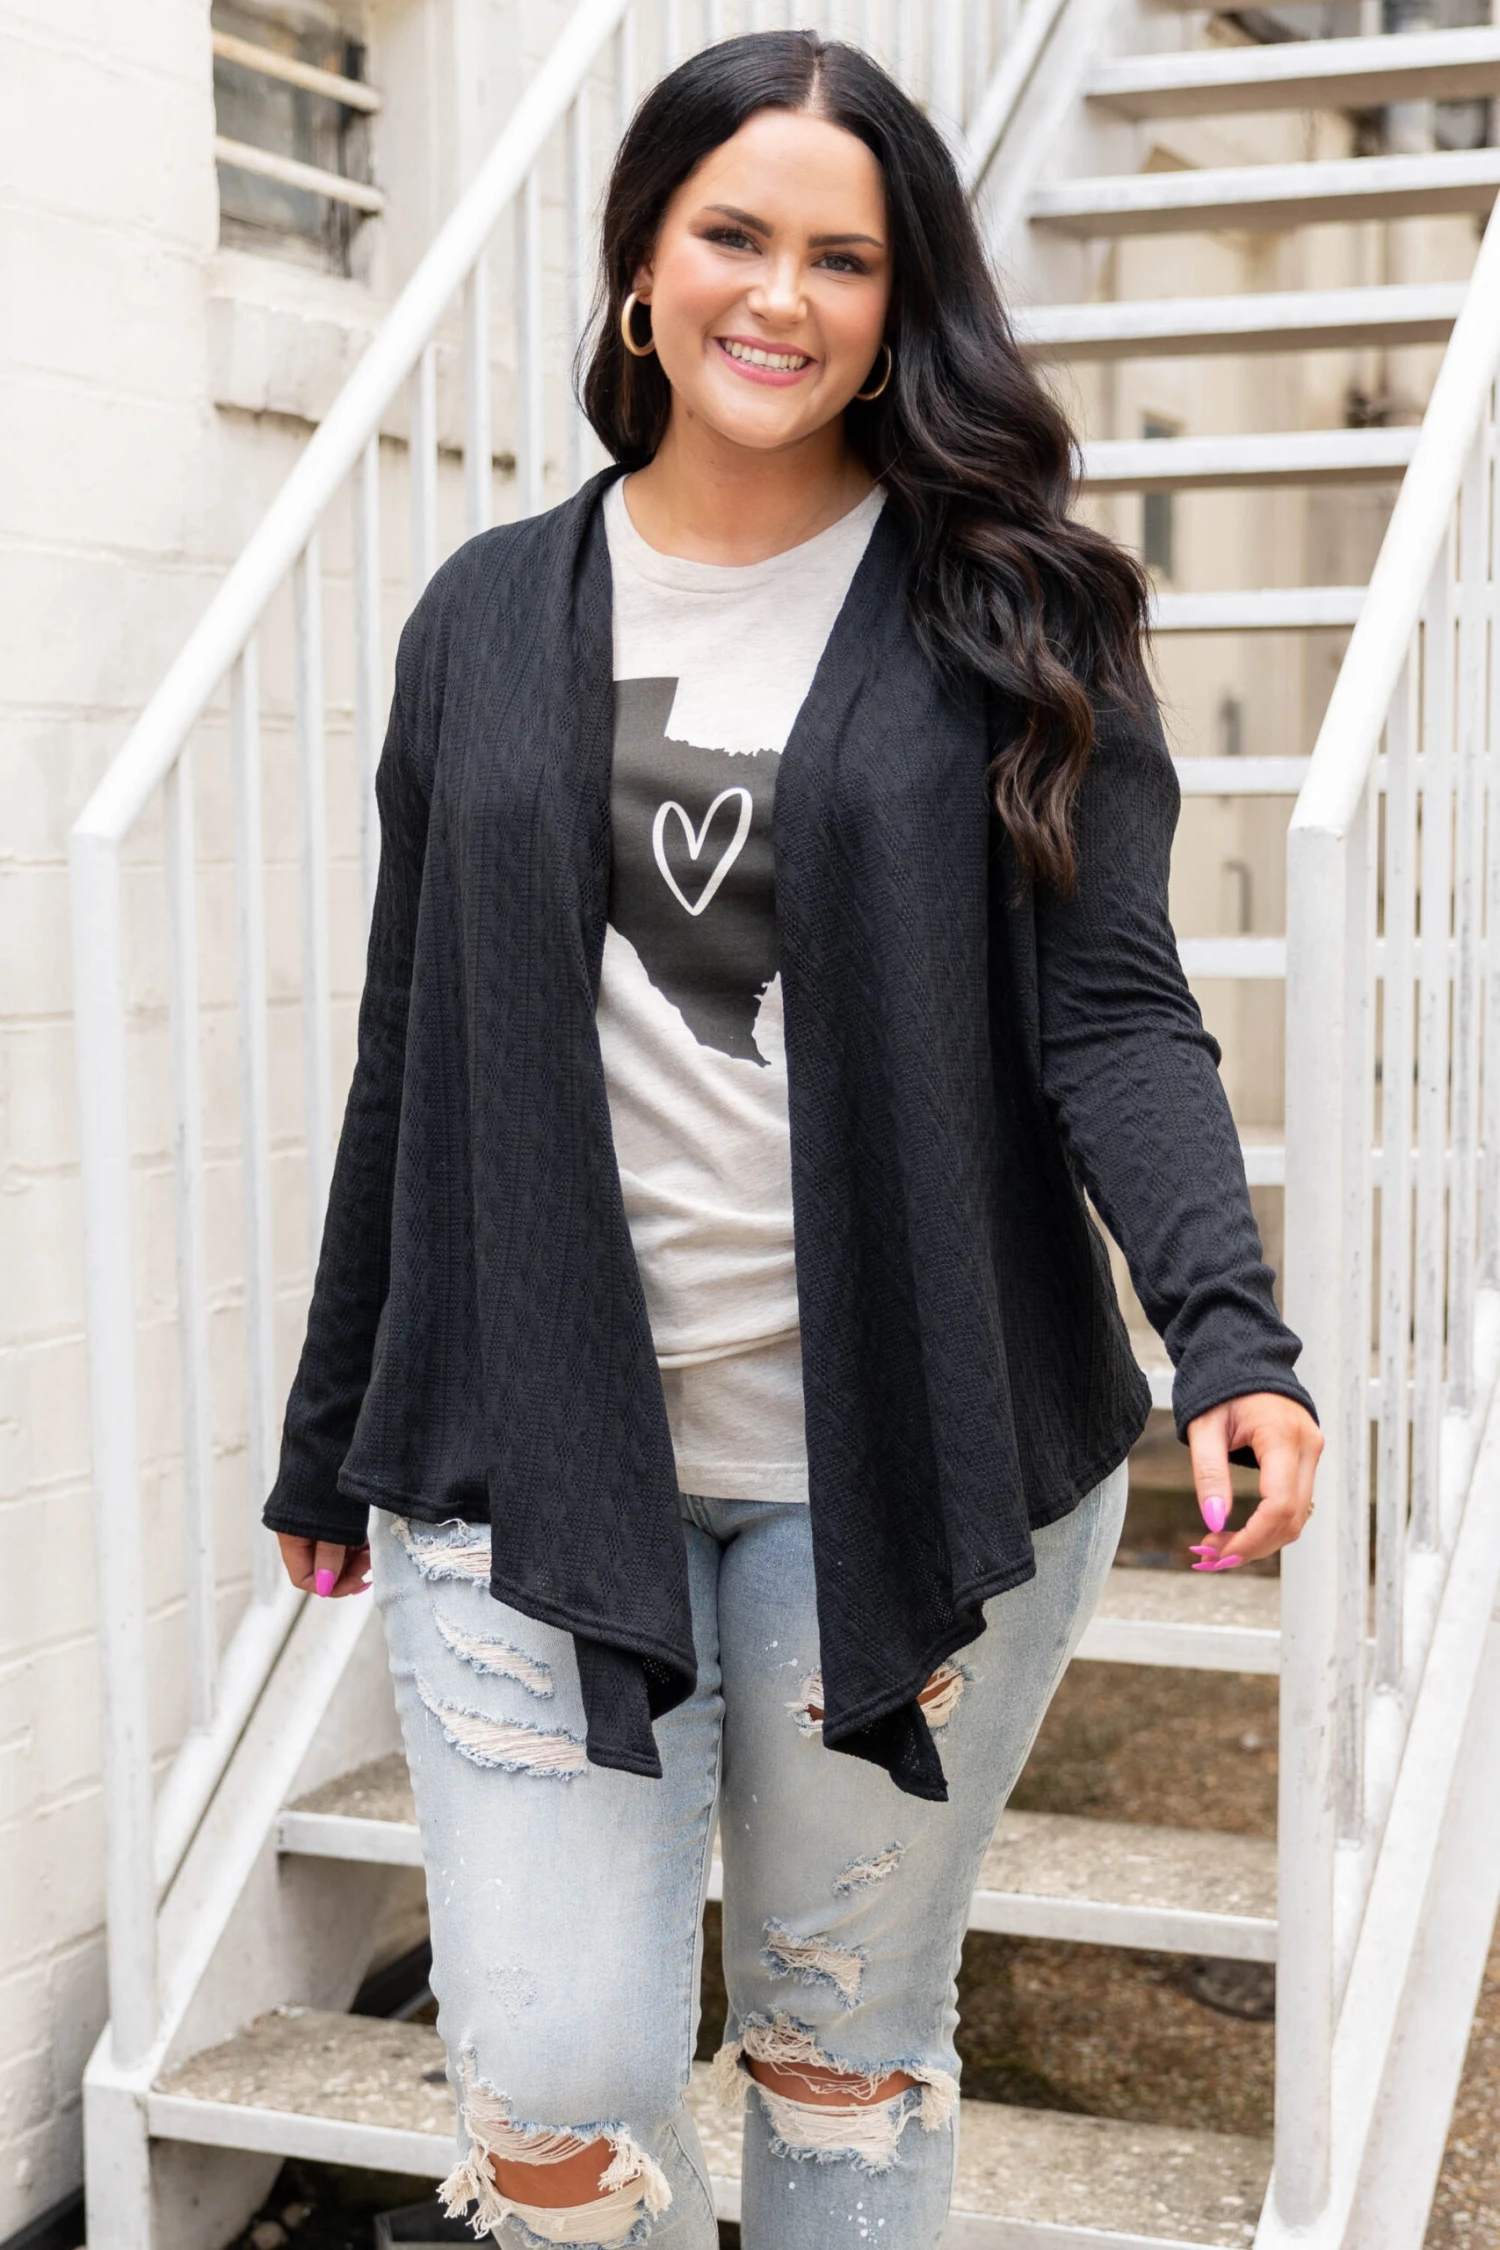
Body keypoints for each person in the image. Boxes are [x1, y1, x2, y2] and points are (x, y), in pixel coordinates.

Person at [263, 30, 1321, 2250]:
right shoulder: (482, 619)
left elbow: (1115, 1007)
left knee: (842, 2052)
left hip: (904, 1461)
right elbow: (409, 1039)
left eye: (844, 256)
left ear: (898, 299)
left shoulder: (1014, 616)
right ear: (643, 267)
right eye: (733, 235)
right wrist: (326, 1429)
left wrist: (1229, 1329)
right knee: (558, 2090)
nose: (783, 293)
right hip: (528, 1455)